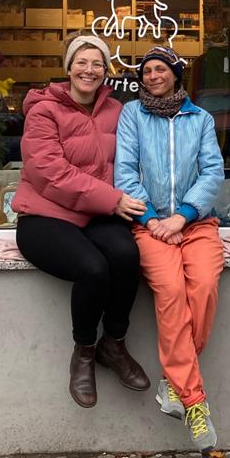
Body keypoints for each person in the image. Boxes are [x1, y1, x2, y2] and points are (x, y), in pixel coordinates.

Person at [14, 34, 150, 408]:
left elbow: (138, 155)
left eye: (97, 64)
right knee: (92, 268)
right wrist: (113, 199)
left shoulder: (117, 111)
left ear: (106, 71)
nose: (89, 70)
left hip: (98, 213)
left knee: (126, 256)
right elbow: (48, 173)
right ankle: (85, 352)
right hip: (45, 214)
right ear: (68, 67)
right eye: (82, 62)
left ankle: (114, 344)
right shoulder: (44, 110)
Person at [114, 45, 226, 451]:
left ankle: (173, 381)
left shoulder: (201, 119)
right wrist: (154, 221)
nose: (152, 76)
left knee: (204, 286)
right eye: (146, 71)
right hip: (149, 225)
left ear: (176, 75)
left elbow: (213, 171)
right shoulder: (132, 115)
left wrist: (183, 217)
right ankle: (194, 400)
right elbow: (124, 170)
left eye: (161, 69)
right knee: (172, 293)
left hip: (196, 223)